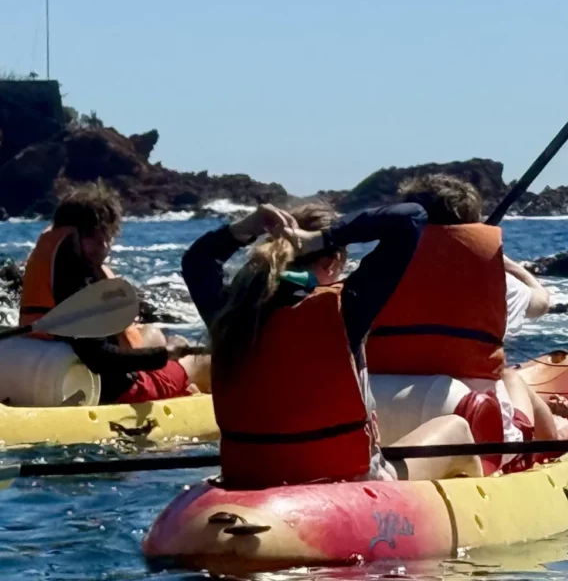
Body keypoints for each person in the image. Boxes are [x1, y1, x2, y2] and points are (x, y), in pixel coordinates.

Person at [181, 200, 480, 489]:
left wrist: (247, 226)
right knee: (456, 428)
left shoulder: (228, 312)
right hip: (345, 481)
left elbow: (197, 260)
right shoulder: (344, 309)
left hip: (249, 475)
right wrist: (321, 239)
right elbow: (410, 217)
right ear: (333, 261)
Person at [366, 173, 568, 443]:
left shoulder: (372, 273)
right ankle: (549, 445)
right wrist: (509, 265)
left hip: (380, 407)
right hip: (471, 417)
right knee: (511, 376)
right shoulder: (495, 277)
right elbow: (540, 304)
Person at [18, 185, 210, 402]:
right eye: (92, 237)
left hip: (62, 369)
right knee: (204, 362)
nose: (103, 246)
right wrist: (164, 355)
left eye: (107, 237)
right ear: (71, 233)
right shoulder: (75, 278)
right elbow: (98, 358)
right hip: (114, 389)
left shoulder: (53, 263)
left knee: (152, 333)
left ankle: (182, 390)